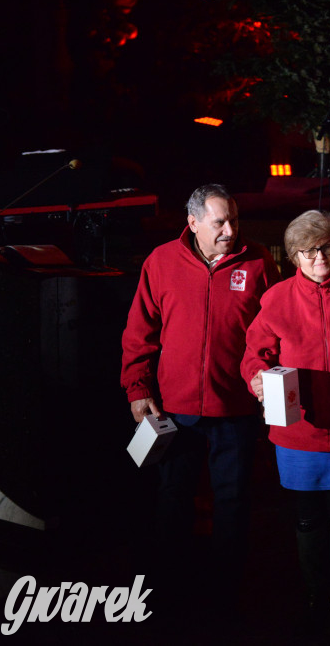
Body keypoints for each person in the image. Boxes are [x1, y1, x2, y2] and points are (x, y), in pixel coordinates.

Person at [120, 183, 280, 612]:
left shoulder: (259, 261)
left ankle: (227, 592)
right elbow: (140, 333)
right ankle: (168, 589)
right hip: (175, 408)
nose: (230, 230)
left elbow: (275, 331)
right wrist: (138, 390)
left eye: (234, 220)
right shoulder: (161, 261)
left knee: (234, 499)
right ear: (192, 223)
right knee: (173, 495)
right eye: (219, 222)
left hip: (236, 407)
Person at [240, 210, 330, 635]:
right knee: (306, 517)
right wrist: (257, 381)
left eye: (326, 247)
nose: (319, 257)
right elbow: (255, 355)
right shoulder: (278, 297)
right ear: (294, 256)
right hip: (299, 432)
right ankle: (315, 593)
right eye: (307, 251)